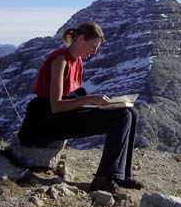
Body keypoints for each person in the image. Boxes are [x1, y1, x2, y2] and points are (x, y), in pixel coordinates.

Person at [18, 21, 143, 192]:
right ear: (81, 39)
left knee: (131, 112)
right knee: (122, 116)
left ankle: (122, 175)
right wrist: (90, 99)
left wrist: (96, 104)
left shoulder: (76, 61)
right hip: (44, 121)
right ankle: (104, 178)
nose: (94, 52)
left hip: (61, 116)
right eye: (93, 46)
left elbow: (69, 99)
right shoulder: (61, 60)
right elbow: (56, 106)